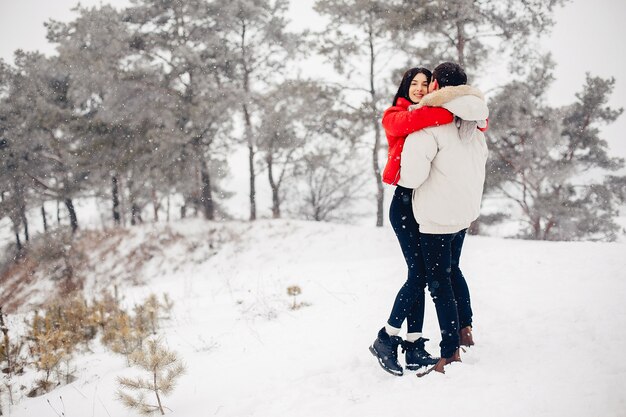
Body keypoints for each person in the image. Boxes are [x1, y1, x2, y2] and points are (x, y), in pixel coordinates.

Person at [398, 62, 489, 374]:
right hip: (463, 214)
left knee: (438, 282)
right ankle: (466, 329)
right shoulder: (476, 125)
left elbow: (410, 177)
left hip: (436, 217)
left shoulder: (429, 126)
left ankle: (449, 353)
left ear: (436, 85)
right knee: (452, 271)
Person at [369, 68, 454, 376]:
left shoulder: (430, 112)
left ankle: (414, 344)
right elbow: (415, 120)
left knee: (417, 274)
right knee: (418, 275)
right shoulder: (395, 114)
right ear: (405, 87)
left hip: (425, 202)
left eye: (424, 84)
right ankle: (386, 337)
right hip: (404, 203)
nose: (418, 89)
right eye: (413, 84)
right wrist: (448, 111)